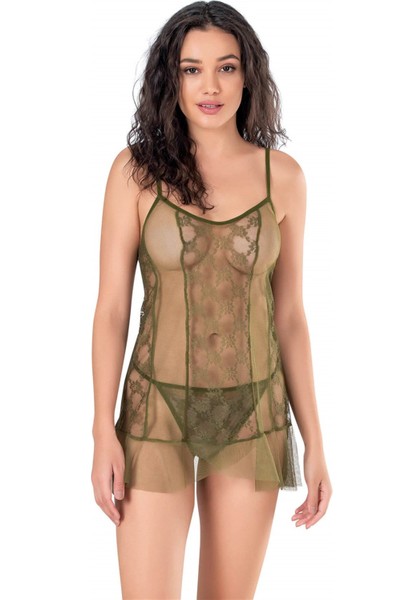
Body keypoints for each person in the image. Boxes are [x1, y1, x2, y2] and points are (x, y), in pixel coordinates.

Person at [91, 1, 332, 598]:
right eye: (191, 69)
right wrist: (101, 430)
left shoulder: (284, 178)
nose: (210, 86)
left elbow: (290, 318)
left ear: (248, 76)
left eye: (226, 67)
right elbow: (112, 309)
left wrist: (316, 443)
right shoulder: (134, 173)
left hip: (253, 412)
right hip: (155, 408)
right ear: (170, 79)